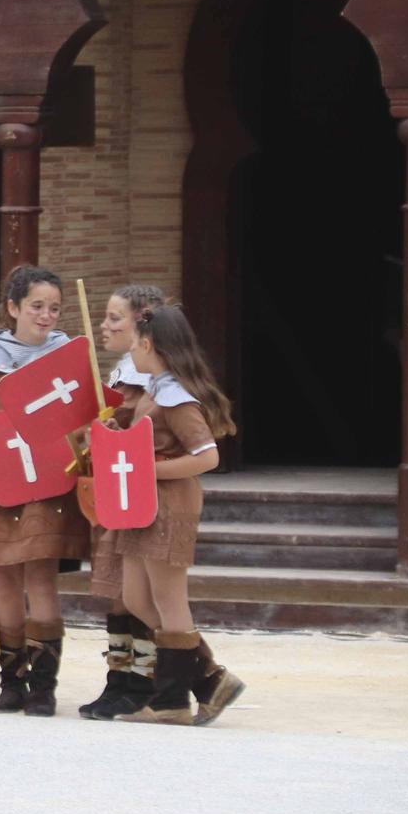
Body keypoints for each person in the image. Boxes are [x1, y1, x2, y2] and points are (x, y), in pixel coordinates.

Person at [0, 265, 92, 713]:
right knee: (5, 581)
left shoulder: (68, 353)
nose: (46, 316)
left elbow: (87, 414)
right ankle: (12, 681)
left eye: (54, 307)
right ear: (13, 308)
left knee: (41, 579)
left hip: (50, 481)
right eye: (36, 306)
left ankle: (44, 687)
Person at [97, 305, 245, 726]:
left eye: (135, 342)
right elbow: (148, 443)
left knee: (168, 601)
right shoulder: (154, 390)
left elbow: (207, 456)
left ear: (147, 344)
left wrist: (149, 469)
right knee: (138, 598)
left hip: (169, 506)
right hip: (142, 504)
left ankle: (171, 701)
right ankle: (210, 679)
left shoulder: (176, 396)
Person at [81, 282, 166, 720]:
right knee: (116, 590)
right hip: (113, 493)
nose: (104, 324)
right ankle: (120, 678)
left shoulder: (157, 381)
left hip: (140, 498)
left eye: (115, 317)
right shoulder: (122, 371)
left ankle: (146, 680)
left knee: (138, 594)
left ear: (143, 319)